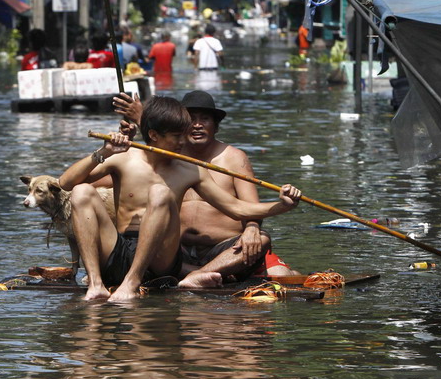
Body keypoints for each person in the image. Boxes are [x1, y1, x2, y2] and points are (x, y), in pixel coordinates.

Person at [59, 96, 302, 301]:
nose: (184, 141)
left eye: (185, 134)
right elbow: (66, 183)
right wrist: (103, 152)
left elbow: (237, 208)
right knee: (82, 191)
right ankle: (96, 285)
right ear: (153, 135)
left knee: (160, 191)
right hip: (122, 247)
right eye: (178, 136)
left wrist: (281, 206)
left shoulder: (191, 169)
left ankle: (132, 284)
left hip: (162, 258)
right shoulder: (124, 157)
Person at [113, 91, 299, 281]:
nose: (197, 125)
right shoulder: (168, 155)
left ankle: (198, 275)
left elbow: (248, 207)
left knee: (264, 243)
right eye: (191, 119)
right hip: (177, 250)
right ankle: (198, 275)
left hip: (225, 250)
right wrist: (130, 133)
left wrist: (252, 228)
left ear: (216, 126)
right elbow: (147, 147)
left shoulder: (234, 158)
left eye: (205, 119)